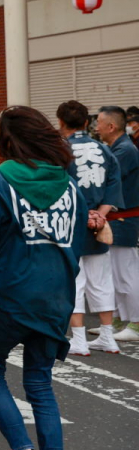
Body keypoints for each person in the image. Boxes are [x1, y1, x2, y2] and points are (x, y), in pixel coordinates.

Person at [0, 105, 89, 450]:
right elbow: (76, 244)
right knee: (39, 383)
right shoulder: (70, 186)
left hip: (6, 293)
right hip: (56, 295)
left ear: (7, 141)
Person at [55, 101, 123, 355]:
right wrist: (99, 215)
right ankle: (107, 336)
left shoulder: (60, 149)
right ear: (87, 122)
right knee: (102, 280)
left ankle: (80, 339)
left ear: (61, 122)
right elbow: (114, 186)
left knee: (75, 280)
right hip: (98, 223)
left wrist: (84, 214)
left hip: (71, 223)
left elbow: (58, 188)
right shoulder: (104, 149)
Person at [97, 105, 139, 343]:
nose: (97, 127)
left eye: (100, 123)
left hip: (124, 218)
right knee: (114, 273)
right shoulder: (120, 147)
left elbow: (107, 183)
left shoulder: (124, 150)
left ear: (111, 126)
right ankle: (115, 320)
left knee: (126, 273)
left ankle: (136, 323)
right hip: (118, 218)